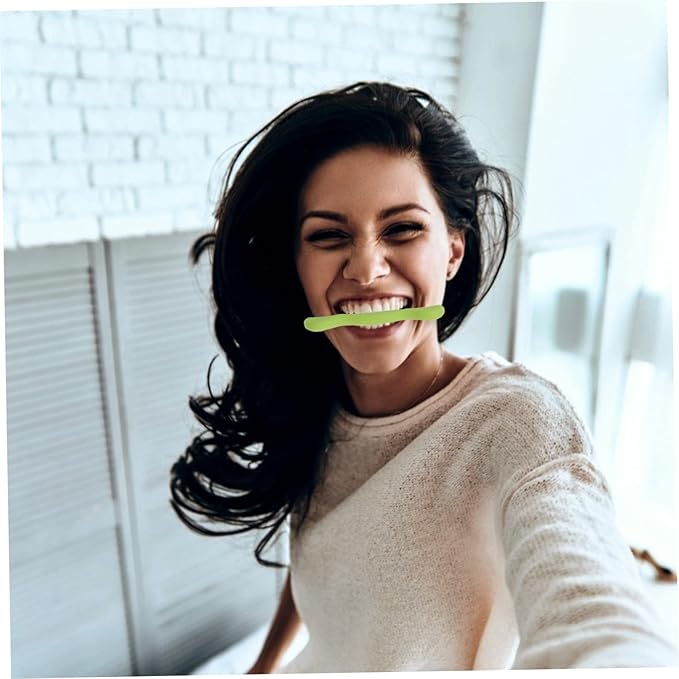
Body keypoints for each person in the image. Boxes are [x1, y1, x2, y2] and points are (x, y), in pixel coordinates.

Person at [169, 82, 678, 672]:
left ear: (453, 251)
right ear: (297, 266)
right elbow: (326, 556)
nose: (366, 269)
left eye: (402, 229)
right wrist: (264, 665)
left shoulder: (517, 422)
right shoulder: (315, 400)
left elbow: (591, 608)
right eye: (329, 236)